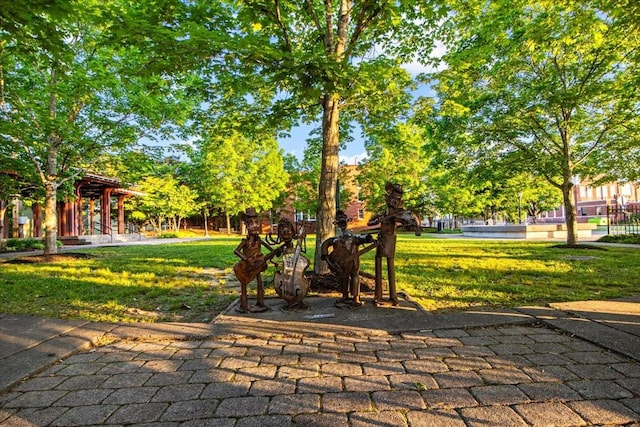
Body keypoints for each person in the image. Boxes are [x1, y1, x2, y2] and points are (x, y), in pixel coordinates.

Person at [367, 182, 420, 306]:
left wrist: (413, 225)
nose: (395, 202)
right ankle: (378, 295)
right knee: (378, 266)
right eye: (392, 198)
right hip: (381, 240)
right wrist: (378, 220)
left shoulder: (400, 214)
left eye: (398, 199)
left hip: (390, 240)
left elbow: (411, 222)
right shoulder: (383, 213)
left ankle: (393, 297)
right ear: (387, 198)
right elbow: (370, 223)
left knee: (390, 266)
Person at [321, 210, 374, 307]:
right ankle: (344, 295)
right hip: (341, 264)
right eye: (339, 222)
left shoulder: (353, 238)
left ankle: (356, 298)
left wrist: (368, 238)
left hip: (353, 262)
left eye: (343, 221)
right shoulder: (336, 240)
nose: (342, 225)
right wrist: (326, 257)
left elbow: (363, 238)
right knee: (343, 278)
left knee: (354, 276)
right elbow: (325, 244)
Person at [233, 207, 274, 313]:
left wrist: (275, 252)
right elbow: (236, 251)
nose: (255, 225)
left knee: (260, 283)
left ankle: (260, 302)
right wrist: (247, 259)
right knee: (244, 284)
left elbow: (271, 250)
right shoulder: (245, 242)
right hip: (246, 266)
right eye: (251, 223)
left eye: (256, 222)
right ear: (247, 226)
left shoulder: (259, 241)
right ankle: (244, 304)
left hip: (257, 266)